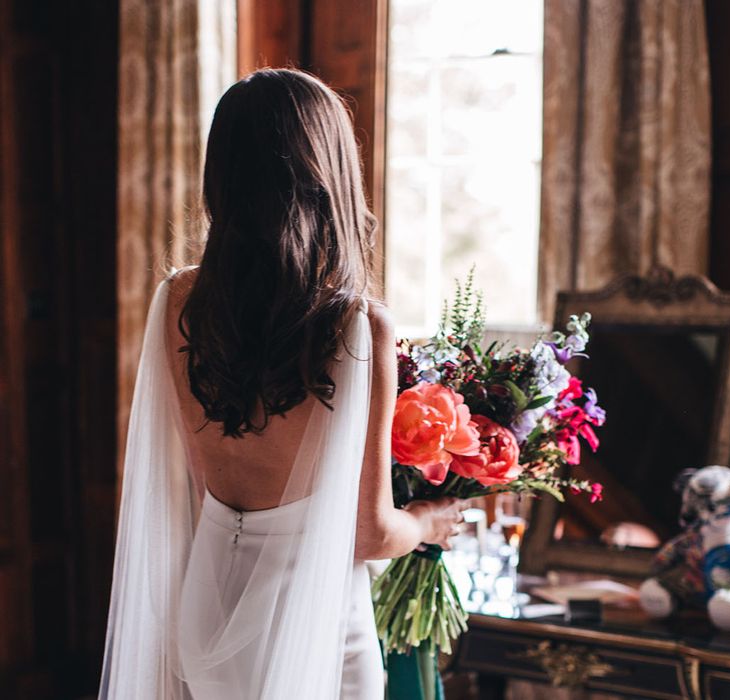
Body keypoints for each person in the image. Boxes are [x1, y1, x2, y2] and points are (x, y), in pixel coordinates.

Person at [99, 68, 466, 700]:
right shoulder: (357, 325)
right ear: (330, 176)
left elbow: (192, 473)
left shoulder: (180, 300)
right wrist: (432, 519)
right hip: (312, 621)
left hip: (209, 600)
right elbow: (371, 534)